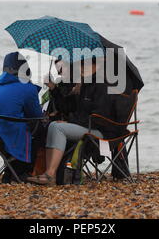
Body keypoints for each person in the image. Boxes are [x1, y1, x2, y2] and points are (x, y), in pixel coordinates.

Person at [26, 57, 112, 185]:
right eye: (80, 64)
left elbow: (99, 117)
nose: (81, 68)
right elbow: (74, 109)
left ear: (96, 66)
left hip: (99, 131)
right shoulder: (85, 84)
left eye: (84, 65)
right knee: (52, 125)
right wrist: (66, 92)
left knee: (57, 127)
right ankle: (48, 173)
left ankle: (50, 174)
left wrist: (71, 121)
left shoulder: (102, 86)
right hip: (86, 125)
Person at [0, 52, 43, 168]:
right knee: (42, 130)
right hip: (10, 135)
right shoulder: (27, 88)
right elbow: (36, 115)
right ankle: (26, 169)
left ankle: (11, 169)